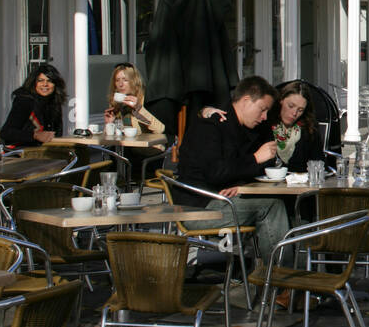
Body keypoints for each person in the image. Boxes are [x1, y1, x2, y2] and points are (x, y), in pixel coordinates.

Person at [175, 76, 289, 263]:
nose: (265, 117)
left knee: (292, 205)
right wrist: (254, 159)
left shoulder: (254, 129)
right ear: (245, 101)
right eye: (262, 109)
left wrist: (242, 185)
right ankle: (279, 280)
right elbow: (215, 172)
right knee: (271, 206)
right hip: (199, 206)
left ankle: (294, 277)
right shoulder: (211, 125)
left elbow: (266, 166)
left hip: (225, 199)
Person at [257, 80, 324, 172]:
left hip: (300, 183)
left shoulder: (309, 128)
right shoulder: (264, 123)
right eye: (291, 106)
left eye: (300, 110)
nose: (294, 113)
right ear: (281, 100)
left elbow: (319, 162)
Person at [0, 63, 66, 148]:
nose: (45, 84)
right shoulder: (25, 101)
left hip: (45, 153)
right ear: (34, 83)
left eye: (49, 81)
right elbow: (6, 133)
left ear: (55, 85)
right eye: (40, 80)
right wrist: (35, 135)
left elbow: (57, 133)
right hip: (21, 154)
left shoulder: (55, 102)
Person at [103, 63, 166, 135]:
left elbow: (160, 129)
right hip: (125, 145)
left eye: (125, 80)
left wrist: (139, 109)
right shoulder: (116, 104)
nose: (121, 84)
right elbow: (108, 140)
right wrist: (109, 124)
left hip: (144, 145)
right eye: (117, 80)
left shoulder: (147, 99)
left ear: (134, 81)